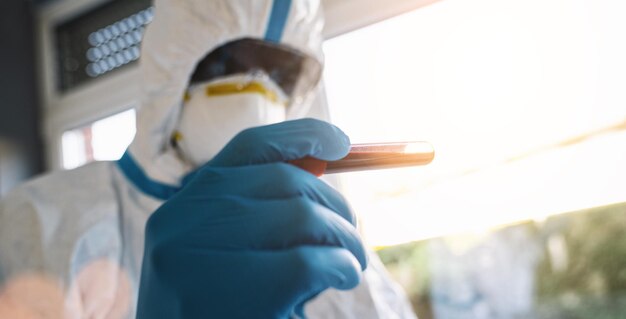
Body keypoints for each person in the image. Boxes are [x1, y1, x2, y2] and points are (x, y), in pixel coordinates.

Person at [0, 0, 416, 318]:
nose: (256, 90)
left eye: (282, 74)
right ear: (170, 71)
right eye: (228, 64)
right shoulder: (42, 219)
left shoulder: (322, 238)